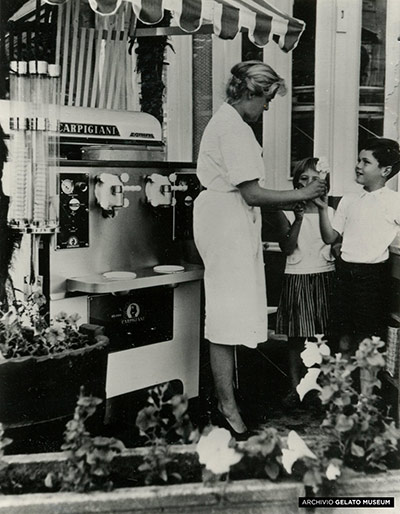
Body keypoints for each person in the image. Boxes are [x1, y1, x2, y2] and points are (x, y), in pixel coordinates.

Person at [193, 61, 326, 438]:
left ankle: (231, 400)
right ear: (251, 93)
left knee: (233, 314)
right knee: (224, 316)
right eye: (266, 100)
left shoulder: (233, 125)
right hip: (225, 223)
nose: (266, 109)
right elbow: (252, 193)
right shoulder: (232, 128)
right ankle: (226, 407)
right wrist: (301, 193)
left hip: (231, 220)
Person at [315, 137, 400, 355]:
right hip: (344, 275)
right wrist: (323, 209)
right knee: (342, 340)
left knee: (368, 342)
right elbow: (330, 237)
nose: (358, 166)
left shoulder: (393, 201)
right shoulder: (349, 199)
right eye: (358, 160)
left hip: (372, 279)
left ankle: (366, 390)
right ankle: (343, 388)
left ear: (386, 170)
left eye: (365, 162)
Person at [275, 157, 335, 405]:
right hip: (297, 278)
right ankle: (295, 387)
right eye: (304, 179)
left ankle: (324, 388)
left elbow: (333, 241)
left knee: (324, 337)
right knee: (296, 339)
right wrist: (298, 219)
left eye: (316, 179)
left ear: (324, 185)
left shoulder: (330, 212)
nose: (310, 184)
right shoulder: (286, 212)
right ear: (297, 184)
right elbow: (287, 248)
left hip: (324, 276)